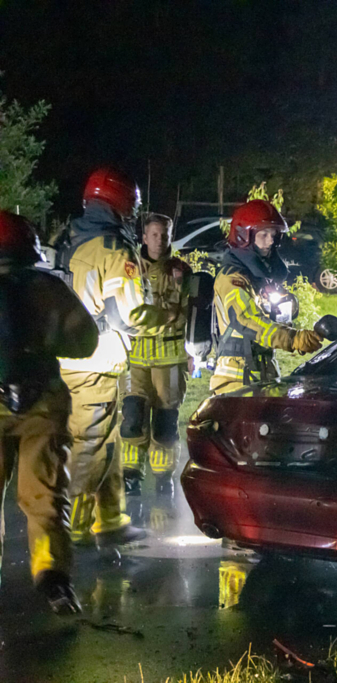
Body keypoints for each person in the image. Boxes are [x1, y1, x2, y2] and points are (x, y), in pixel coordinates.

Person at [0, 211, 98, 614]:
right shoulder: (48, 289)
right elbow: (86, 341)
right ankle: (53, 579)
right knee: (44, 496)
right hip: (42, 403)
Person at [58, 167, 157, 548]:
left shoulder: (70, 240)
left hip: (69, 359)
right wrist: (164, 318)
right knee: (91, 449)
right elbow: (131, 315)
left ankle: (111, 519)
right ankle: (74, 527)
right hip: (96, 364)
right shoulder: (114, 249)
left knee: (106, 442)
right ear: (122, 204)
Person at [210, 200, 323, 395]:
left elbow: (273, 317)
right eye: (263, 234)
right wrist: (293, 338)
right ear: (243, 236)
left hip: (262, 374)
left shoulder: (257, 278)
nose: (270, 241)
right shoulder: (232, 279)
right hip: (237, 381)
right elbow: (248, 319)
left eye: (274, 234)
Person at [120, 214, 191, 496]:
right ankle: (130, 476)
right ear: (144, 237)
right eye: (154, 234)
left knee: (165, 423)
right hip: (135, 359)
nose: (159, 240)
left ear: (170, 237)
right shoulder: (128, 268)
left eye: (164, 235)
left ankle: (163, 479)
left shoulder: (181, 271)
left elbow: (187, 312)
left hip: (169, 359)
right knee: (132, 418)